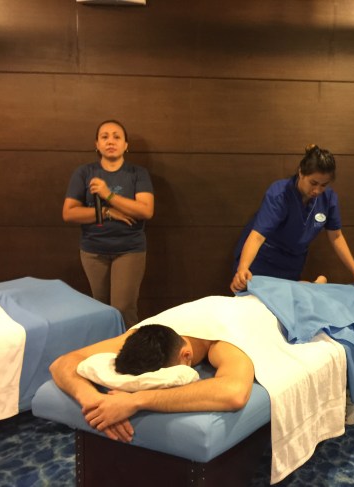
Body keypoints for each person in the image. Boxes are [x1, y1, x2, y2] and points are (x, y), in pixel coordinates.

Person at [49, 323, 254, 443]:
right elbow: (61, 363)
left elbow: (234, 393)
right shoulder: (141, 335)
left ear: (186, 355)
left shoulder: (223, 343)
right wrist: (94, 401)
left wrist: (135, 401)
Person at [230, 144, 354, 293]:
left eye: (324, 185)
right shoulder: (280, 194)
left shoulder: (328, 199)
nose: (317, 190)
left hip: (291, 264)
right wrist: (243, 268)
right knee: (255, 298)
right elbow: (257, 236)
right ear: (301, 173)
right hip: (262, 260)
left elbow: (336, 236)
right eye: (313, 183)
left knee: (287, 300)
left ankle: (315, 284)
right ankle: (316, 284)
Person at [62, 120, 154, 328]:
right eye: (104, 137)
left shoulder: (138, 174)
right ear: (97, 144)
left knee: (123, 308)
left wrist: (108, 194)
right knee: (101, 309)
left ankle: (128, 346)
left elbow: (146, 210)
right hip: (93, 251)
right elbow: (69, 213)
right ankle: (104, 346)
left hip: (129, 250)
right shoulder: (84, 173)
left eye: (116, 137)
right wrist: (106, 212)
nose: (110, 141)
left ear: (126, 145)